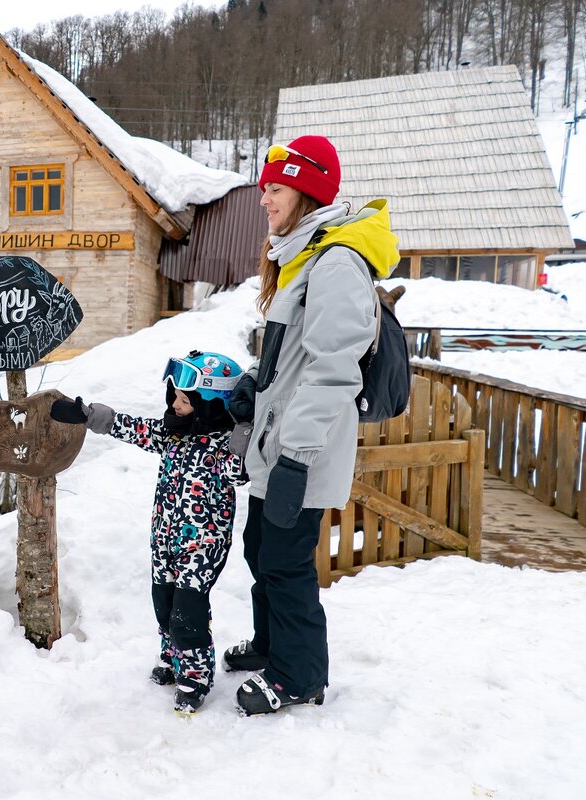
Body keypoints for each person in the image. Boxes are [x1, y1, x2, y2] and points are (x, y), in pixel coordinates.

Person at [224, 135, 399, 716]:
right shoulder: (301, 255)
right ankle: (273, 646)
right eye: (265, 189)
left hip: (302, 449)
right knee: (259, 550)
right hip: (276, 444)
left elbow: (333, 368)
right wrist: (257, 380)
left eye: (274, 189)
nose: (264, 200)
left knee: (285, 561)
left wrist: (297, 456)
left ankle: (299, 676)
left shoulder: (336, 262)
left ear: (304, 191)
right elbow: (295, 357)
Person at [50, 351, 250, 715]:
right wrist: (87, 415)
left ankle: (196, 675)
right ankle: (175, 660)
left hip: (202, 546)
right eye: (174, 395)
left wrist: (244, 428)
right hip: (164, 541)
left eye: (185, 399)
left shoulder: (224, 446)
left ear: (210, 405)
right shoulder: (172, 434)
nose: (175, 403)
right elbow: (133, 427)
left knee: (187, 612)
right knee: (164, 605)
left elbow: (240, 474)